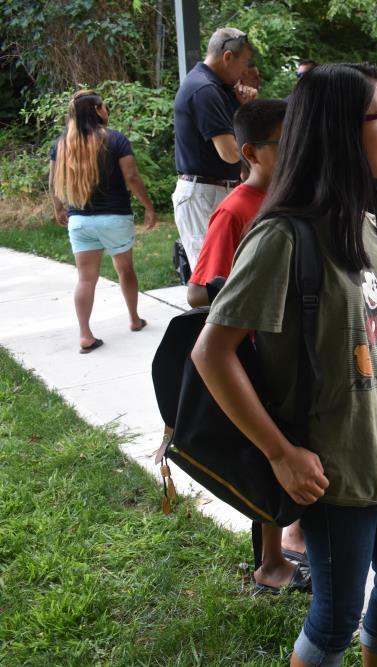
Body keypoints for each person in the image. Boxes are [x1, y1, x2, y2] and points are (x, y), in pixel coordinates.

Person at [192, 63, 377, 667]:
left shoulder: (373, 226)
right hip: (333, 472)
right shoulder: (282, 238)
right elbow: (211, 352)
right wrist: (281, 454)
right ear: (341, 130)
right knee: (337, 616)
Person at [184, 99, 312, 595]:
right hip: (254, 355)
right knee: (267, 461)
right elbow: (198, 290)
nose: (299, 151)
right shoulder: (235, 209)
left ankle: (293, 539)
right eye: (287, 144)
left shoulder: (288, 200)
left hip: (289, 353)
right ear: (251, 152)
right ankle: (270, 563)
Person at [48, 90, 156, 353]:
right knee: (125, 270)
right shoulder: (116, 139)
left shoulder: (62, 143)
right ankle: (133, 319)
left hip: (80, 222)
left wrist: (59, 208)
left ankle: (85, 335)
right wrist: (148, 207)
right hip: (115, 218)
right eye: (104, 106)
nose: (107, 110)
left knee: (85, 279)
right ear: (97, 110)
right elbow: (131, 176)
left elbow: (53, 183)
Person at [172, 27, 256, 270]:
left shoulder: (219, 88)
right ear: (227, 56)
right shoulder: (205, 90)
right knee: (212, 278)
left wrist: (244, 108)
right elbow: (230, 153)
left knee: (230, 273)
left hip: (216, 190)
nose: (245, 71)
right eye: (244, 63)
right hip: (203, 194)